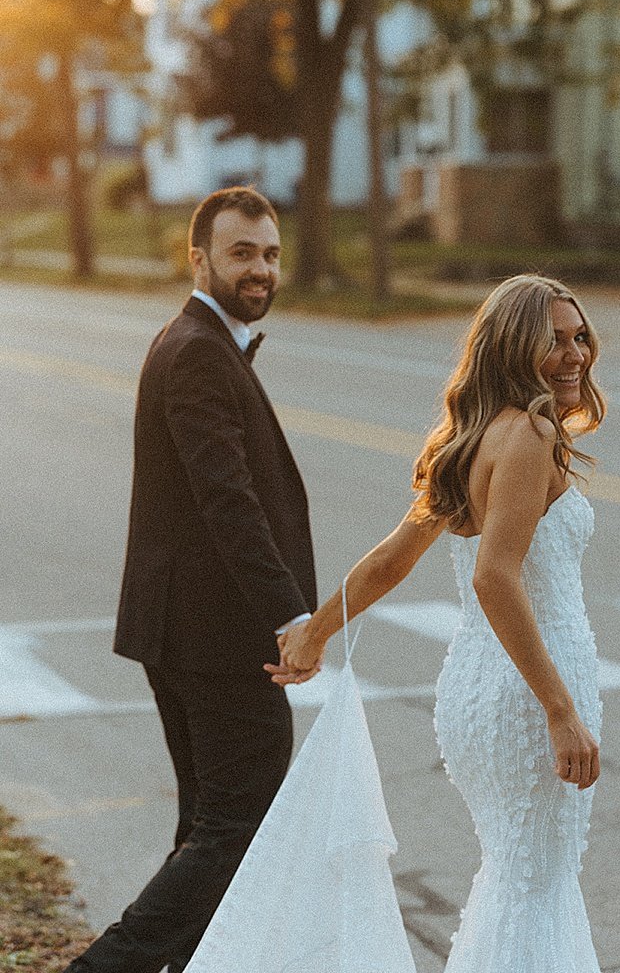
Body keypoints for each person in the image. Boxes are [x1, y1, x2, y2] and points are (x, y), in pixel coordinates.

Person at [271, 272, 607, 971]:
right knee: (535, 884)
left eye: (580, 338)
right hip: (527, 694)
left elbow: (394, 560)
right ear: (514, 347)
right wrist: (560, 709)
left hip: (478, 692)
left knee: (516, 881)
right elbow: (493, 575)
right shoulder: (532, 433)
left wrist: (314, 631)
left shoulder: (468, 436)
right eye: (556, 341)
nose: (575, 355)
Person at [70, 187, 314, 973]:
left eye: (270, 253)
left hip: (187, 629)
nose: (260, 268)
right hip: (218, 635)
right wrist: (290, 617)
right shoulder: (199, 350)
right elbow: (228, 503)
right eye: (242, 252)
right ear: (199, 257)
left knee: (208, 827)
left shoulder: (200, 342)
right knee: (239, 823)